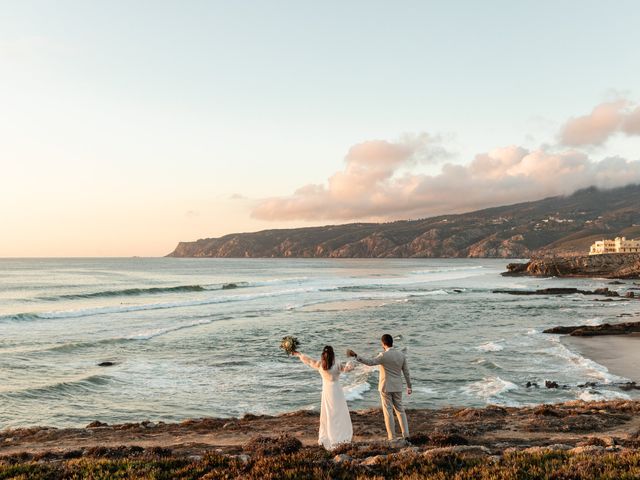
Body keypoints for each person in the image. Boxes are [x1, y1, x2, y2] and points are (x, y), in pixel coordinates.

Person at [347, 334, 412, 443]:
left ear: (383, 344)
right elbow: (406, 372)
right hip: (398, 386)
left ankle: (392, 437)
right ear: (392, 342)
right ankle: (406, 435)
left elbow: (370, 362)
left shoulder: (383, 355)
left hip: (385, 387)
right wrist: (409, 386)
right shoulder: (401, 355)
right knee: (400, 410)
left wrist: (356, 356)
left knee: (388, 412)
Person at [293, 346, 354, 449]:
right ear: (333, 355)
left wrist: (298, 354)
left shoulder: (320, 365)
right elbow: (348, 369)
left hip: (327, 392)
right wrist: (351, 360)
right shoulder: (337, 365)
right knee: (339, 413)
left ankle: (329, 437)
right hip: (337, 392)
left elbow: (308, 361)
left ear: (323, 356)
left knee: (328, 414)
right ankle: (340, 436)